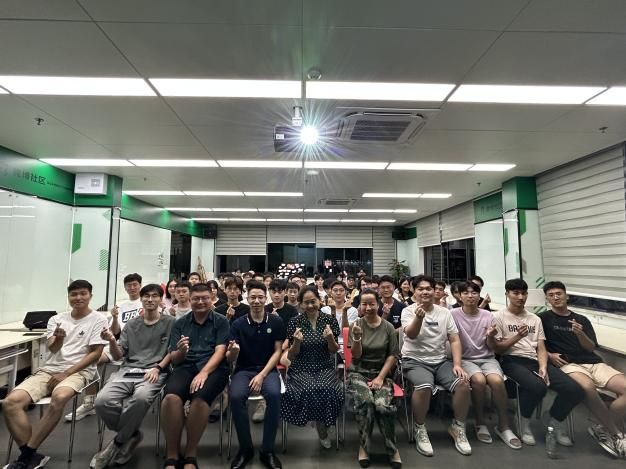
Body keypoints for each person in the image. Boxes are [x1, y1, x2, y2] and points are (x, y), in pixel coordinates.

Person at [3, 280, 108, 469]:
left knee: (59, 398)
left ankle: (25, 457)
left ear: (90, 296)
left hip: (79, 371)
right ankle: (31, 454)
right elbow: (52, 348)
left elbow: (95, 353)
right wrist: (59, 338)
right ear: (68, 297)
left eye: (83, 293)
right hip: (49, 369)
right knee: (10, 402)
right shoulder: (57, 319)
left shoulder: (98, 319)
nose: (78, 298)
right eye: (74, 294)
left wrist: (66, 373)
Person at [488, 278, 585, 447]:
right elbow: (498, 349)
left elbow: (541, 347)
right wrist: (517, 336)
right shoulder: (498, 317)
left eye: (523, 293)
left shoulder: (534, 319)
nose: (520, 297)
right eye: (516, 293)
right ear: (507, 294)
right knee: (537, 387)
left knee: (575, 390)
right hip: (511, 360)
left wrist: (543, 366)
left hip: (534, 360)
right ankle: (523, 420)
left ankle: (554, 419)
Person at [90, 284, 176, 468]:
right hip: (128, 370)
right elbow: (119, 355)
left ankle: (116, 444)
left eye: (154, 296)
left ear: (161, 299)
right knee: (102, 401)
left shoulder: (170, 323)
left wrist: (158, 368)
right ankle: (131, 435)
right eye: (146, 296)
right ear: (141, 299)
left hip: (155, 371)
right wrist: (112, 341)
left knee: (141, 398)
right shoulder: (131, 325)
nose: (150, 299)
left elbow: (172, 351)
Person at [541, 281, 626, 456]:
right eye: (551, 295)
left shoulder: (581, 319)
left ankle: (602, 425)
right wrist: (549, 355)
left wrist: (580, 334)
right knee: (587, 387)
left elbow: (590, 347)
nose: (555, 297)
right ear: (547, 299)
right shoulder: (543, 318)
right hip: (568, 364)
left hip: (593, 362)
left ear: (566, 296)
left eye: (559, 293)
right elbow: (536, 344)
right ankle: (616, 433)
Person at [160, 283, 230, 469]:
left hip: (214, 368)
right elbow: (174, 358)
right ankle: (172, 454)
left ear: (211, 298)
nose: (200, 302)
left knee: (200, 400)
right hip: (185, 366)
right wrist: (182, 351)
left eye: (205, 298)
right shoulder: (180, 324)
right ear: (189, 300)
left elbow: (220, 351)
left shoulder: (221, 321)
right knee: (171, 399)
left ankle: (190, 454)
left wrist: (204, 372)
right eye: (196, 299)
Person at [401, 274, 472, 457]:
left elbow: (454, 339)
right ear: (414, 291)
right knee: (424, 386)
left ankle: (458, 427)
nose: (425, 292)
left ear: (434, 291)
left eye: (428, 288)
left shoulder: (445, 313)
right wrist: (418, 318)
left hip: (440, 361)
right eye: (420, 289)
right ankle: (420, 428)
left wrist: (457, 364)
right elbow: (411, 334)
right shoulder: (408, 311)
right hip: (414, 361)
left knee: (463, 384)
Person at [450, 281, 521, 449]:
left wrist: (490, 336)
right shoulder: (453, 314)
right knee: (479, 381)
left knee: (497, 381)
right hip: (466, 359)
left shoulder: (488, 315)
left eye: (474, 293)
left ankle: (503, 426)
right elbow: (451, 340)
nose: (470, 296)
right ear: (459, 296)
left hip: (487, 358)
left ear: (479, 295)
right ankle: (480, 422)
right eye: (466, 293)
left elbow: (492, 346)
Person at [65, 273, 144, 422]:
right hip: (117, 343)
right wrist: (114, 317)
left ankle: (128, 401)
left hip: (138, 347)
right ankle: (90, 402)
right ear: (125, 287)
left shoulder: (145, 302)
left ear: (140, 285)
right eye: (129, 285)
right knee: (90, 359)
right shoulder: (121, 305)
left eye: (135, 284)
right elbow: (114, 331)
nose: (132, 288)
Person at [226, 281, 285, 469]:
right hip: (243, 370)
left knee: (274, 395)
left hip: (268, 370)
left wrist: (262, 375)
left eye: (260, 297)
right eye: (253, 297)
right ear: (247, 298)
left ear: (265, 298)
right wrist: (233, 352)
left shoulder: (275, 321)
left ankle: (267, 450)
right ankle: (245, 449)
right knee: (236, 397)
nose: (257, 301)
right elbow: (230, 357)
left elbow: (278, 351)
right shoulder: (238, 324)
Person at [281, 286, 343, 448]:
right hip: (301, 368)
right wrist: (296, 343)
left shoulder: (329, 320)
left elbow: (334, 350)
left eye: (313, 301)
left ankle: (323, 422)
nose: (310, 306)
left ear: (319, 301)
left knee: (330, 390)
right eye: (306, 302)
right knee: (309, 389)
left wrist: (330, 338)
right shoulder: (295, 322)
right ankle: (322, 427)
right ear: (301, 304)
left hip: (324, 366)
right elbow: (291, 356)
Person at [349, 289, 402, 469]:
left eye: (372, 304)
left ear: (378, 305)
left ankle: (392, 449)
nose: (368, 307)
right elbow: (355, 356)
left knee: (382, 405)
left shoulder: (388, 327)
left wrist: (380, 378)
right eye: (364, 304)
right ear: (360, 306)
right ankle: (364, 446)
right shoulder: (356, 325)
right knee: (365, 402)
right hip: (358, 373)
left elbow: (393, 355)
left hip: (382, 373)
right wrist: (357, 338)